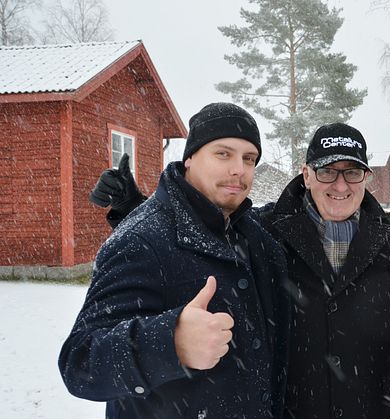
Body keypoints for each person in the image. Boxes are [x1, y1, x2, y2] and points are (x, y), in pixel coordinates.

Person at [90, 123, 390, 418]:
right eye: (326, 171)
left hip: (376, 409)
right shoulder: (265, 233)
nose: (339, 185)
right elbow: (206, 234)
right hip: (291, 409)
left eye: (352, 172)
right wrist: (133, 209)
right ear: (305, 174)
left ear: (365, 176)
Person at [59, 102, 290, 419]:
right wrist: (169, 344)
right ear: (191, 158)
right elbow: (80, 362)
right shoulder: (139, 240)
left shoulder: (257, 239)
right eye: (223, 154)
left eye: (249, 158)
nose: (239, 169)